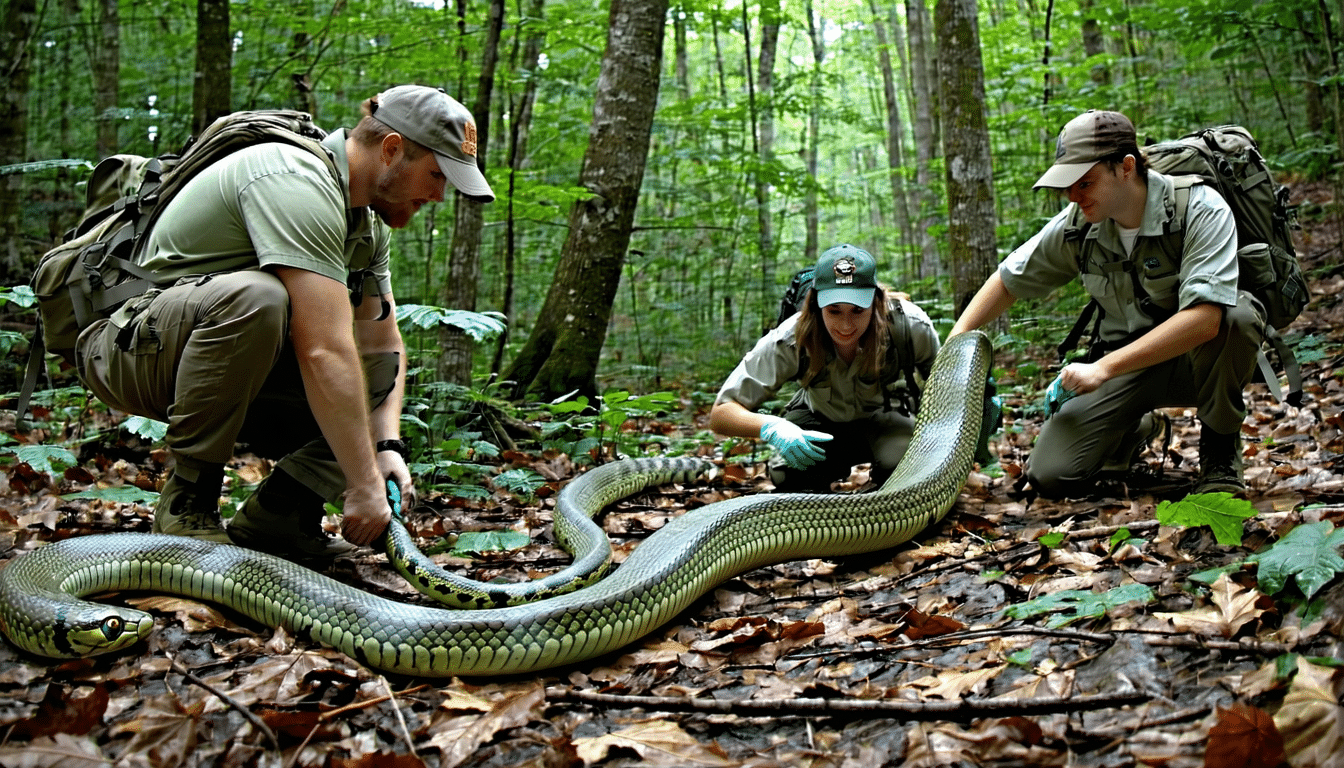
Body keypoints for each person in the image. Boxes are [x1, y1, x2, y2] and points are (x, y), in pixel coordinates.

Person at [74, 85, 495, 563]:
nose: (439, 195)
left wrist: (387, 448)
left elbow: (382, 344)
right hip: (129, 351)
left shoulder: (365, 223)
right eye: (436, 175)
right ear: (392, 149)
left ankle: (281, 516)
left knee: (377, 370)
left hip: (223, 359)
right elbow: (323, 351)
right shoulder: (291, 177)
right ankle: (186, 506)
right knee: (260, 298)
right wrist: (362, 485)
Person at [949, 109, 1264, 497]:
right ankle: (1136, 429)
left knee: (1236, 316)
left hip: (1197, 362)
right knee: (1051, 474)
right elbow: (1008, 280)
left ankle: (1220, 451)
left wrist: (1101, 368)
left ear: (1126, 167)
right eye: (1068, 184)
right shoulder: (1079, 225)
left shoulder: (1199, 208)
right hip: (1123, 370)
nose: (1072, 195)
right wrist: (955, 343)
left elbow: (1204, 322)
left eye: (1085, 182)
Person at [709, 244, 940, 492]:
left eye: (858, 310)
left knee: (911, 466)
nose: (846, 325)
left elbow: (945, 388)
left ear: (876, 301)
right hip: (822, 421)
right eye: (834, 310)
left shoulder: (910, 326)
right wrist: (774, 427)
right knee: (789, 473)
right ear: (815, 303)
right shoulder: (791, 337)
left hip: (887, 418)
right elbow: (721, 413)